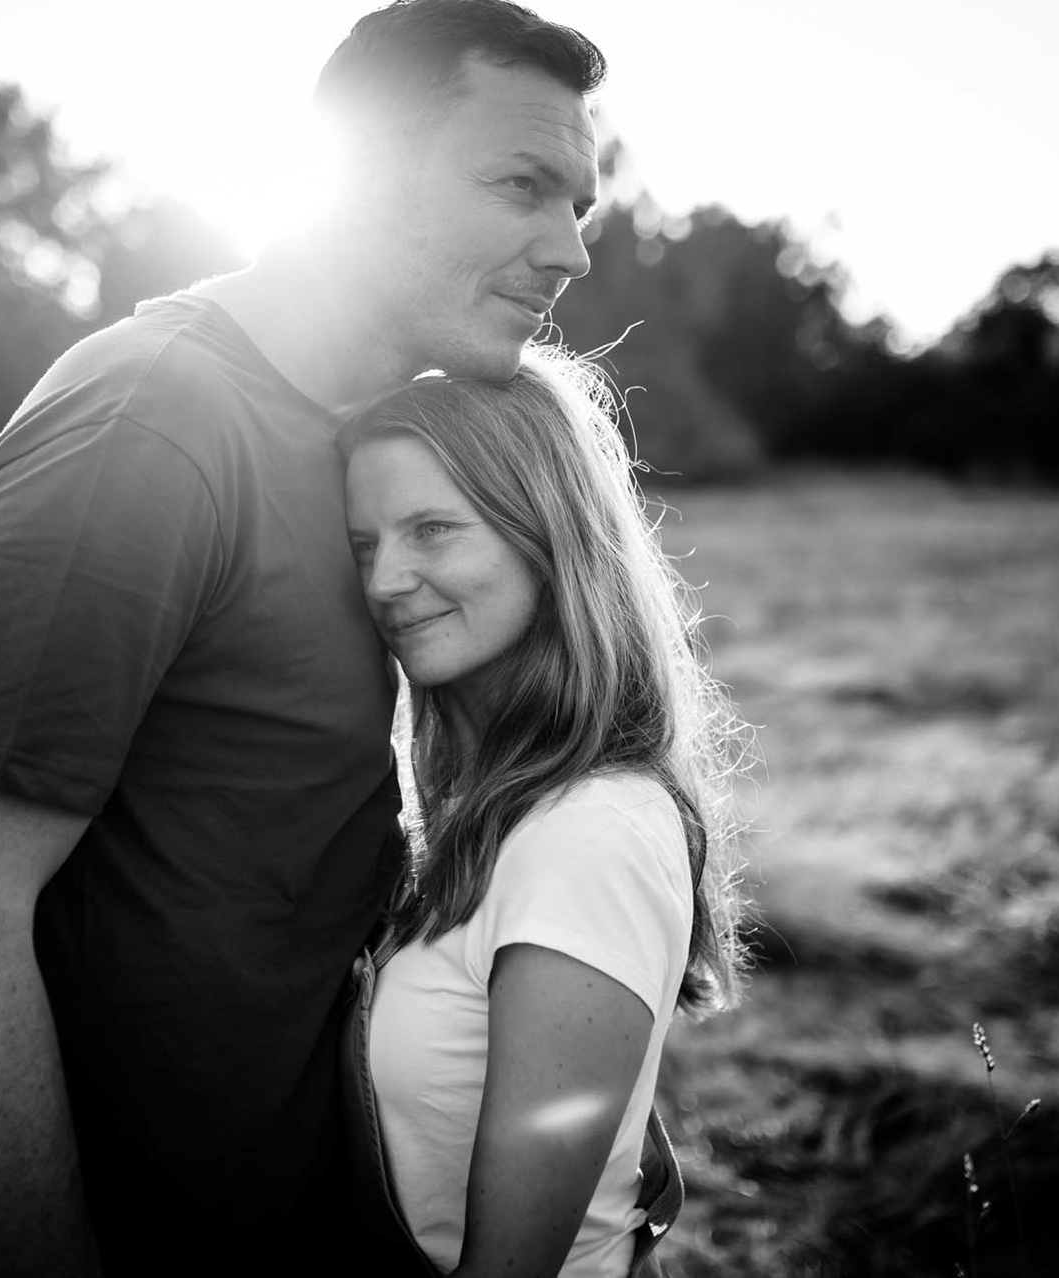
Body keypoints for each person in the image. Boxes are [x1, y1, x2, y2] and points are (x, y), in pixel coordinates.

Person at [0, 2, 605, 1275]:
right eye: (523, 186)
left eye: (581, 203)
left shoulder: (369, 442)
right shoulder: (146, 432)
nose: (572, 251)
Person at [340, 346, 749, 1277]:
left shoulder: (590, 833)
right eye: (366, 545)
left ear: (546, 536)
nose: (383, 582)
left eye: (433, 530)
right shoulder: (496, 808)